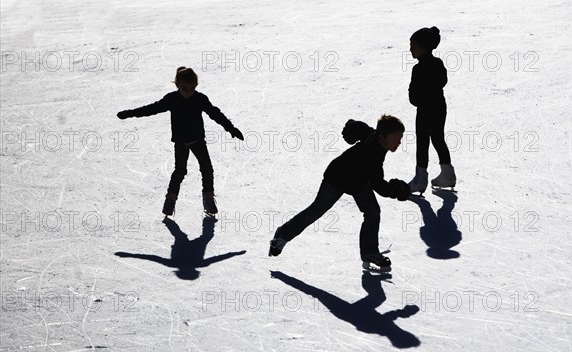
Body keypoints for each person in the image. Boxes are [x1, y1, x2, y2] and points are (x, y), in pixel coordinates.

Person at [269, 115, 411, 271]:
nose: (399, 142)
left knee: (372, 211)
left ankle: (369, 252)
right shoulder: (373, 153)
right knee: (316, 210)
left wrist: (352, 126)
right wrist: (398, 190)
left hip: (358, 181)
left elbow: (363, 129)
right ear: (382, 136)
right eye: (396, 138)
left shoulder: (375, 137)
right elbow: (379, 185)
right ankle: (282, 235)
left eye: (401, 138)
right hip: (337, 178)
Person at [117, 67, 244, 216]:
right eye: (184, 88)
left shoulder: (200, 99)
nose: (188, 91)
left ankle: (208, 199)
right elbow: (151, 109)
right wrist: (130, 113)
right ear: (177, 85)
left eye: (192, 88)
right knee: (180, 171)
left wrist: (231, 128)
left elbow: (215, 114)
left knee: (207, 169)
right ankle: (170, 202)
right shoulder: (171, 100)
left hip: (197, 140)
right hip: (181, 142)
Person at [407, 26, 456, 193]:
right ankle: (447, 174)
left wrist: (421, 97)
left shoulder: (418, 69)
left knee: (423, 142)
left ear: (424, 48)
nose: (411, 49)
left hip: (425, 110)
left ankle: (420, 179)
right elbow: (442, 81)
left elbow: (413, 96)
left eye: (414, 45)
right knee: (437, 139)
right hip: (439, 107)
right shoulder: (438, 63)